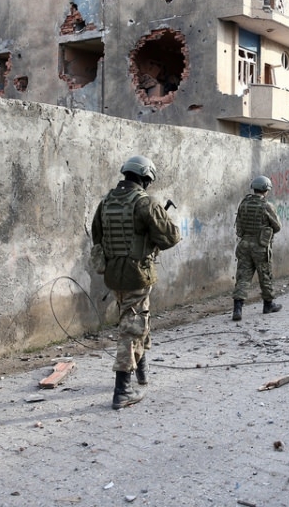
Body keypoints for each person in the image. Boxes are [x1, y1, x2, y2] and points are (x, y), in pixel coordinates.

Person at [91, 155, 181, 410]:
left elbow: (97, 236)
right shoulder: (146, 203)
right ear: (146, 177)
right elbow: (171, 238)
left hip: (113, 274)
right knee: (131, 328)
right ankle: (122, 391)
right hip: (137, 275)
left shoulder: (106, 202)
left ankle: (141, 370)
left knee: (138, 317)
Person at [230, 175, 282, 321]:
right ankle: (268, 305)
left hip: (244, 244)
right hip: (260, 246)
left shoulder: (244, 204)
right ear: (266, 189)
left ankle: (237, 309)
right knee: (264, 275)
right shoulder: (266, 206)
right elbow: (277, 227)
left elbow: (238, 226)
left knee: (243, 276)